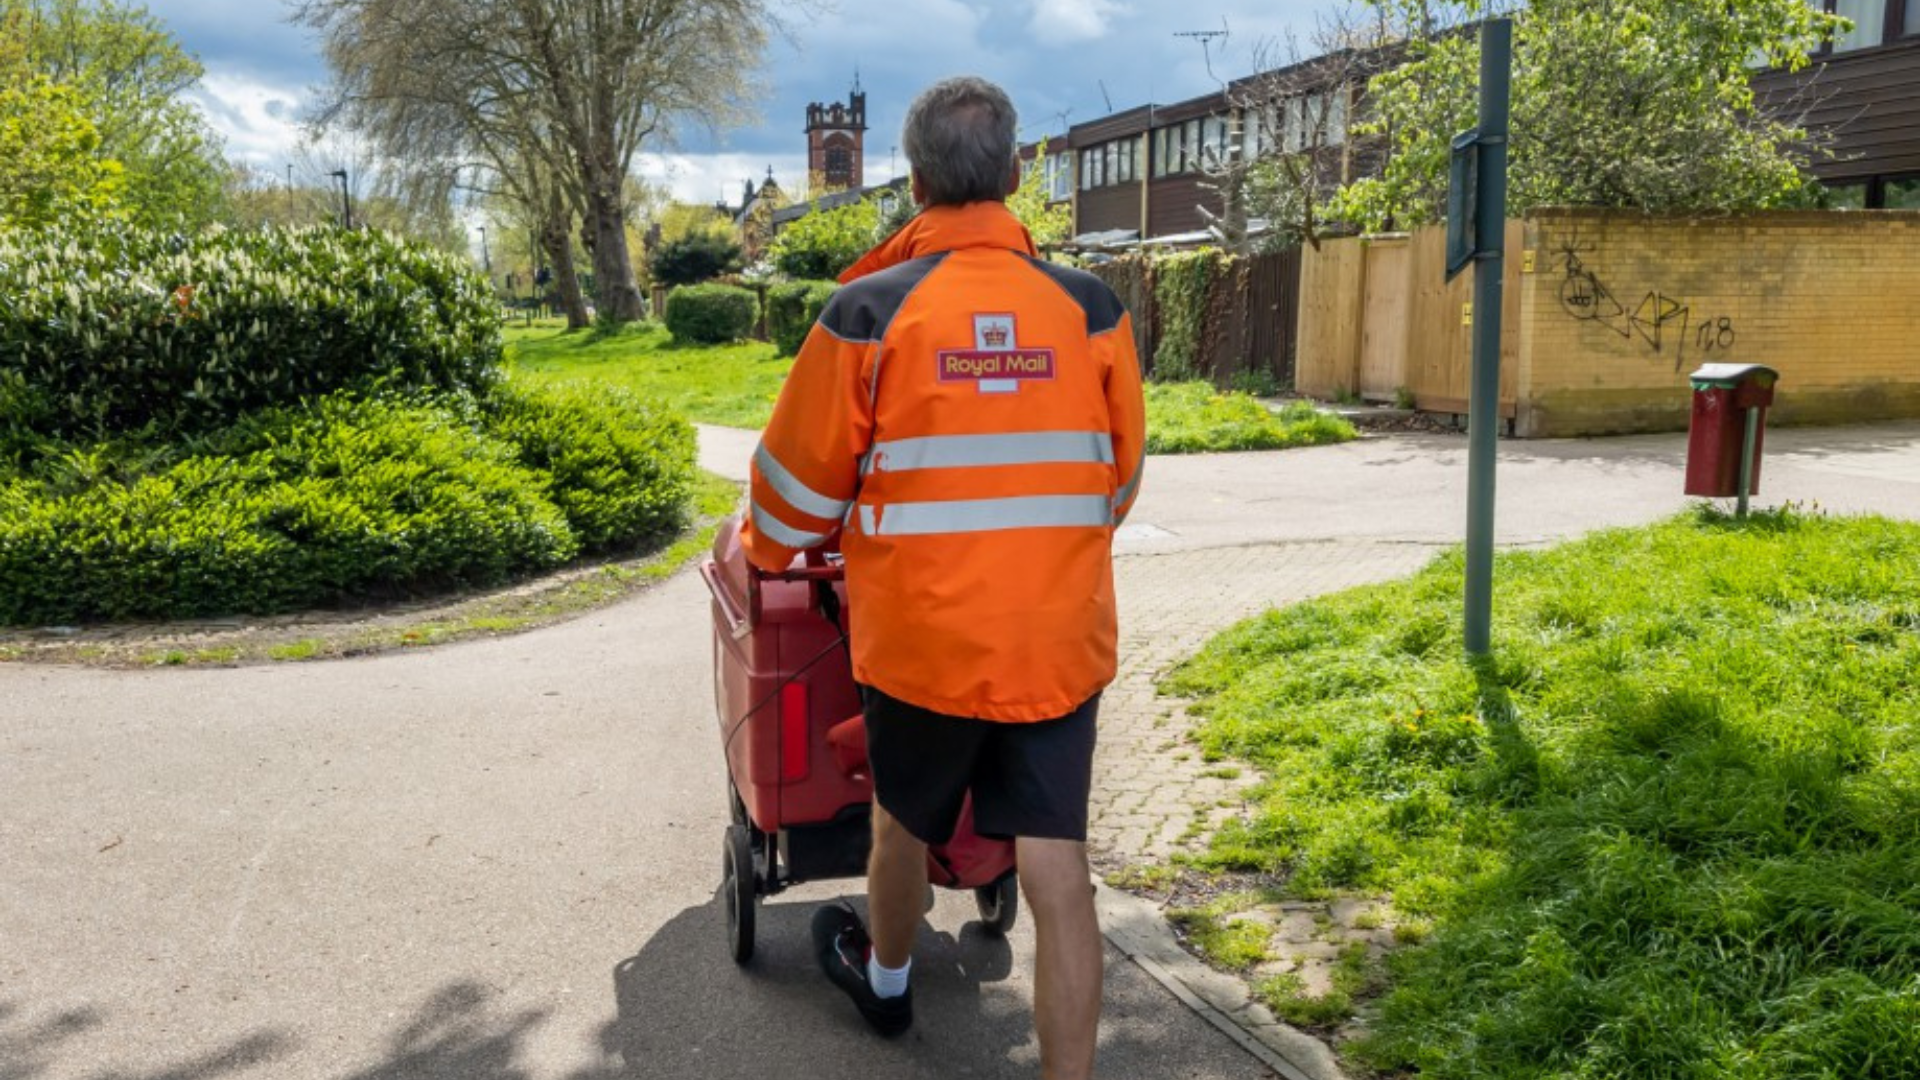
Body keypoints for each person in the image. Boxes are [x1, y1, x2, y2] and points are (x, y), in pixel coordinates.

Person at [739, 75, 1145, 1080]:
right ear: (1015, 175)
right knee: (1060, 867)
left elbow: (788, 503)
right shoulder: (1089, 307)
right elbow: (1120, 478)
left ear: (915, 183)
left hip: (922, 646)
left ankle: (883, 984)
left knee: (901, 824)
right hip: (1056, 637)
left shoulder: (868, 310)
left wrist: (764, 554)